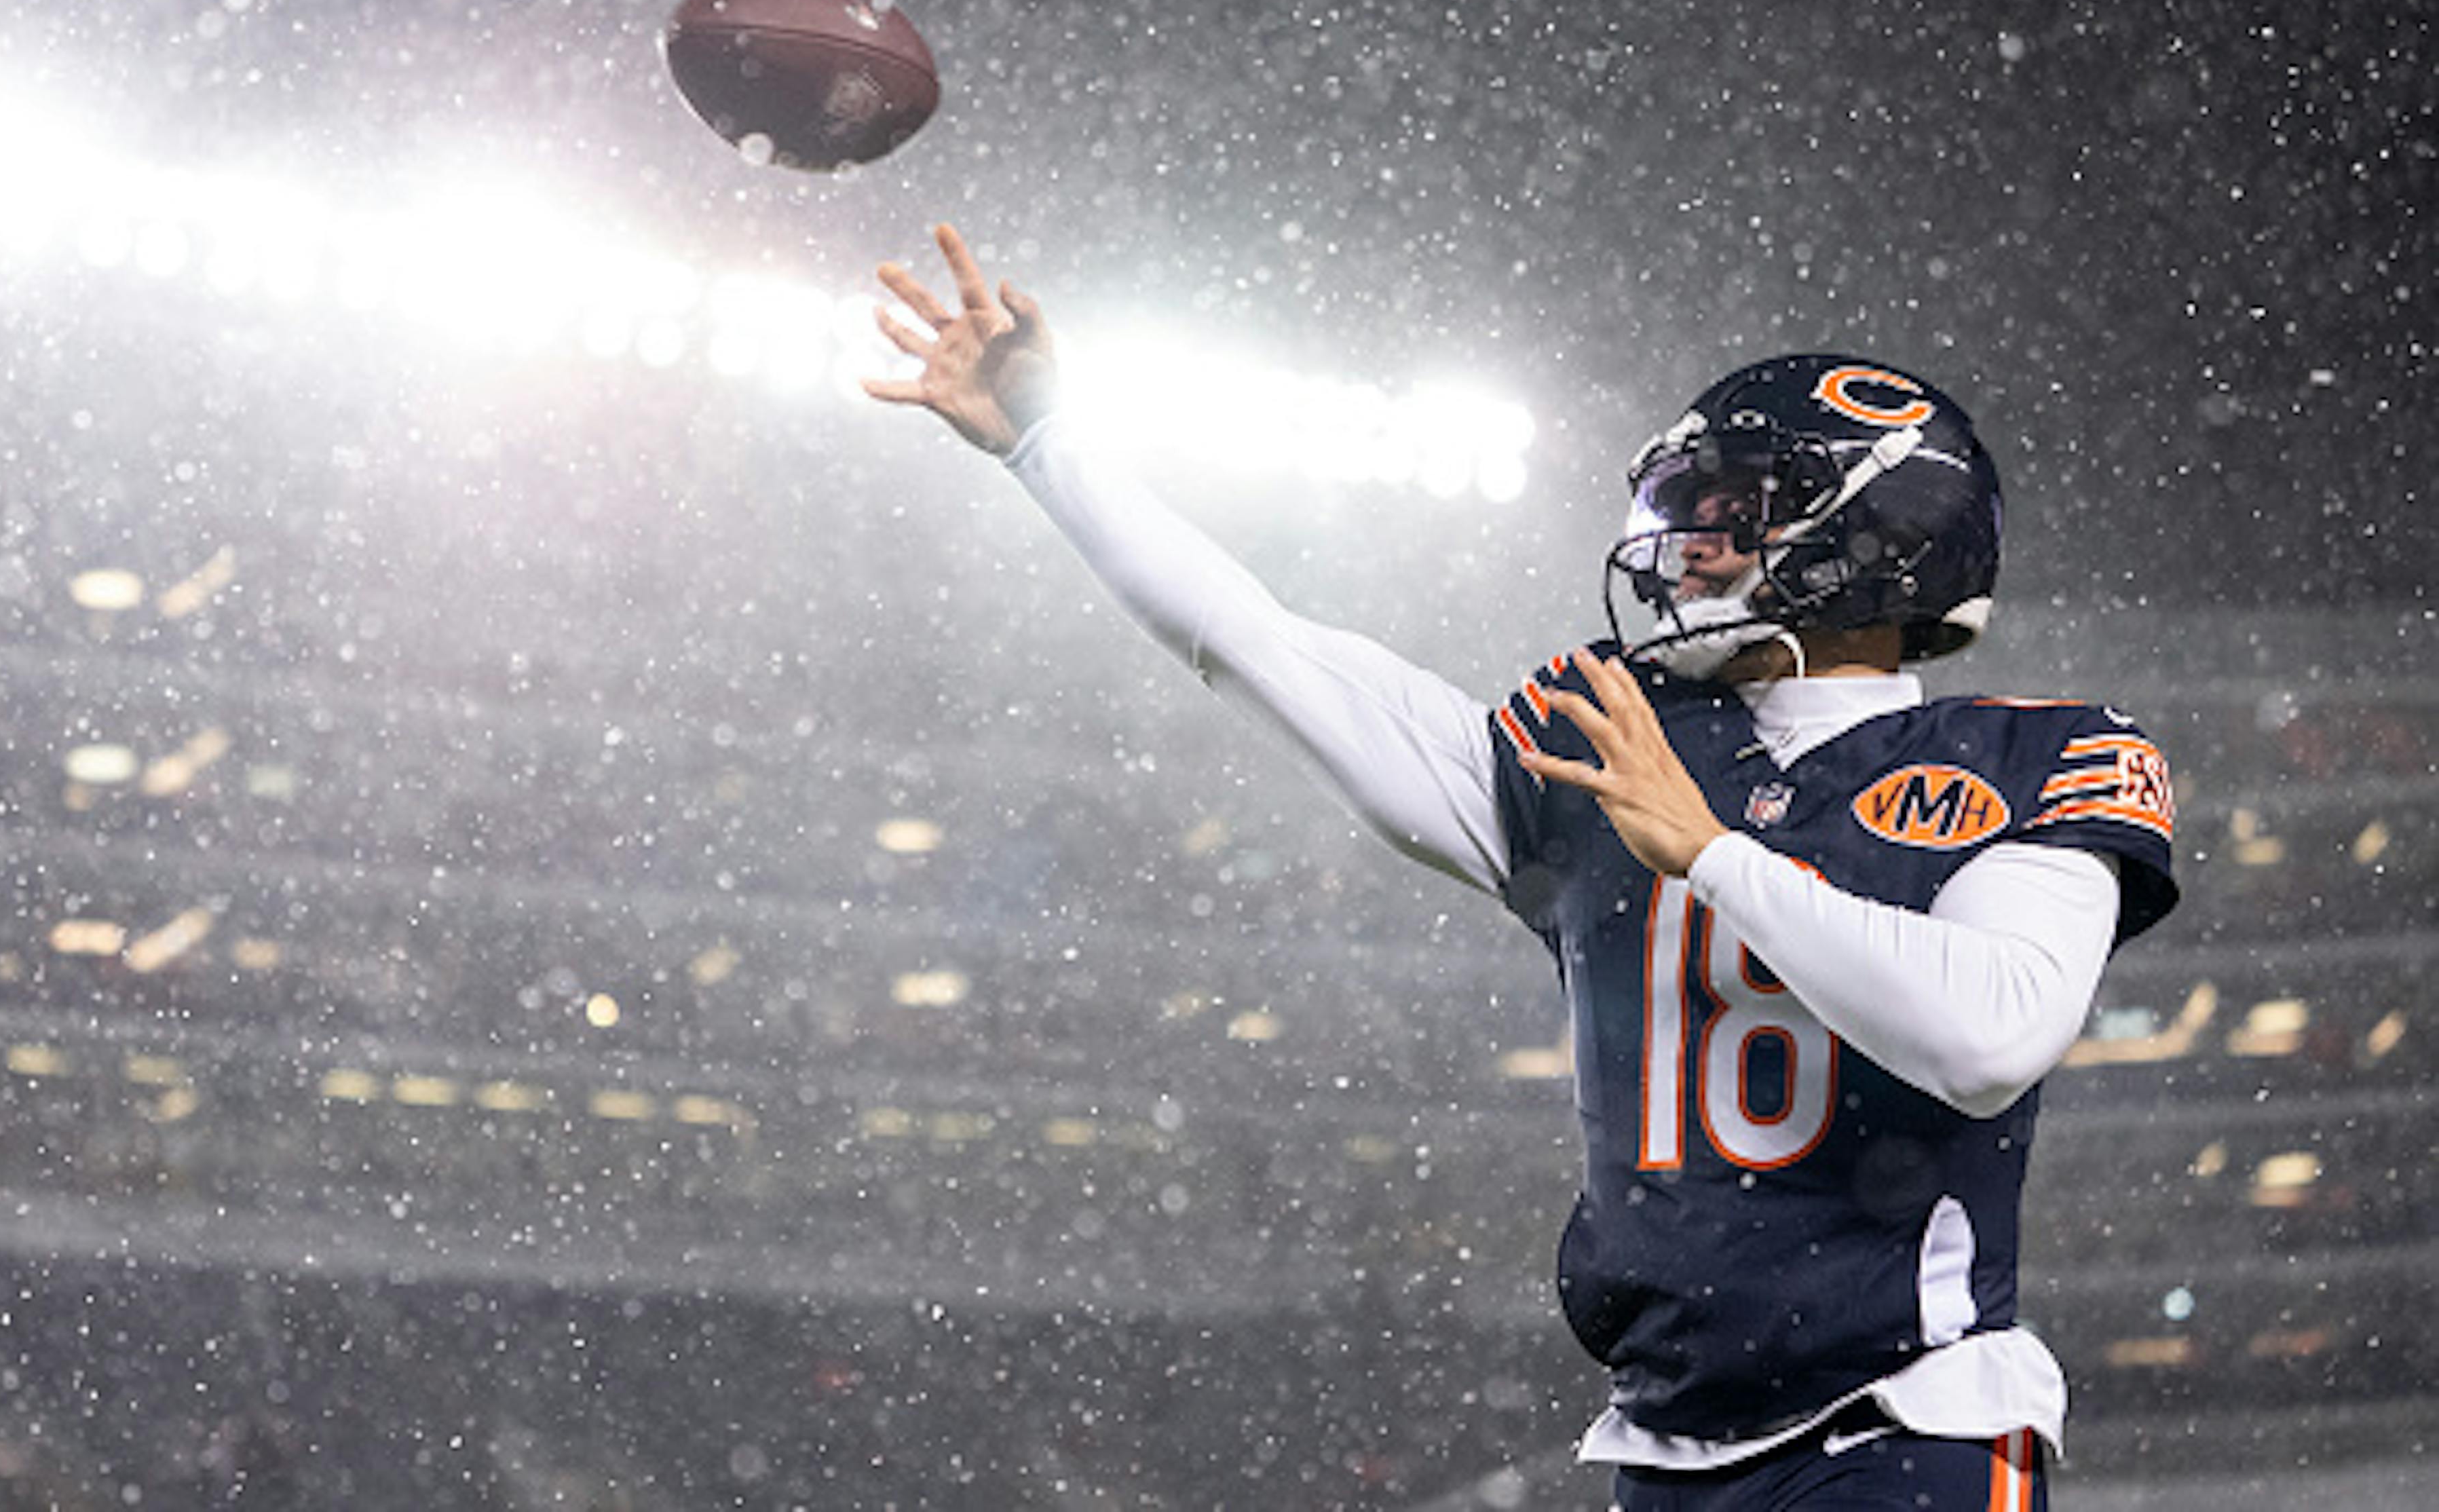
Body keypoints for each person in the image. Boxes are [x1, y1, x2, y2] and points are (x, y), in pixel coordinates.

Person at [867, 223, 2178, 1511]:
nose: (1687, 543)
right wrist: (1049, 449)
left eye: (1729, 508)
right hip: (1665, 1442)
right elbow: (1257, 646)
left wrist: (1717, 856)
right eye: (1679, 507)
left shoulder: (2035, 754)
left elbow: (1990, 1033)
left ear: (1878, 523)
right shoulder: (1609, 745)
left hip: (1908, 1422)